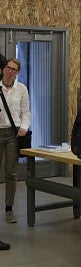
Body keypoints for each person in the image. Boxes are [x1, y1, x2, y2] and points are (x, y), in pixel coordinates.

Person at [0, 58, 31, 224]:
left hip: (13, 134)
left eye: (13, 69)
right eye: (7, 67)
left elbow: (26, 112)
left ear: (17, 72)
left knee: (11, 172)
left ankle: (9, 208)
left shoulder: (21, 89)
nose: (9, 71)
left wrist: (24, 126)